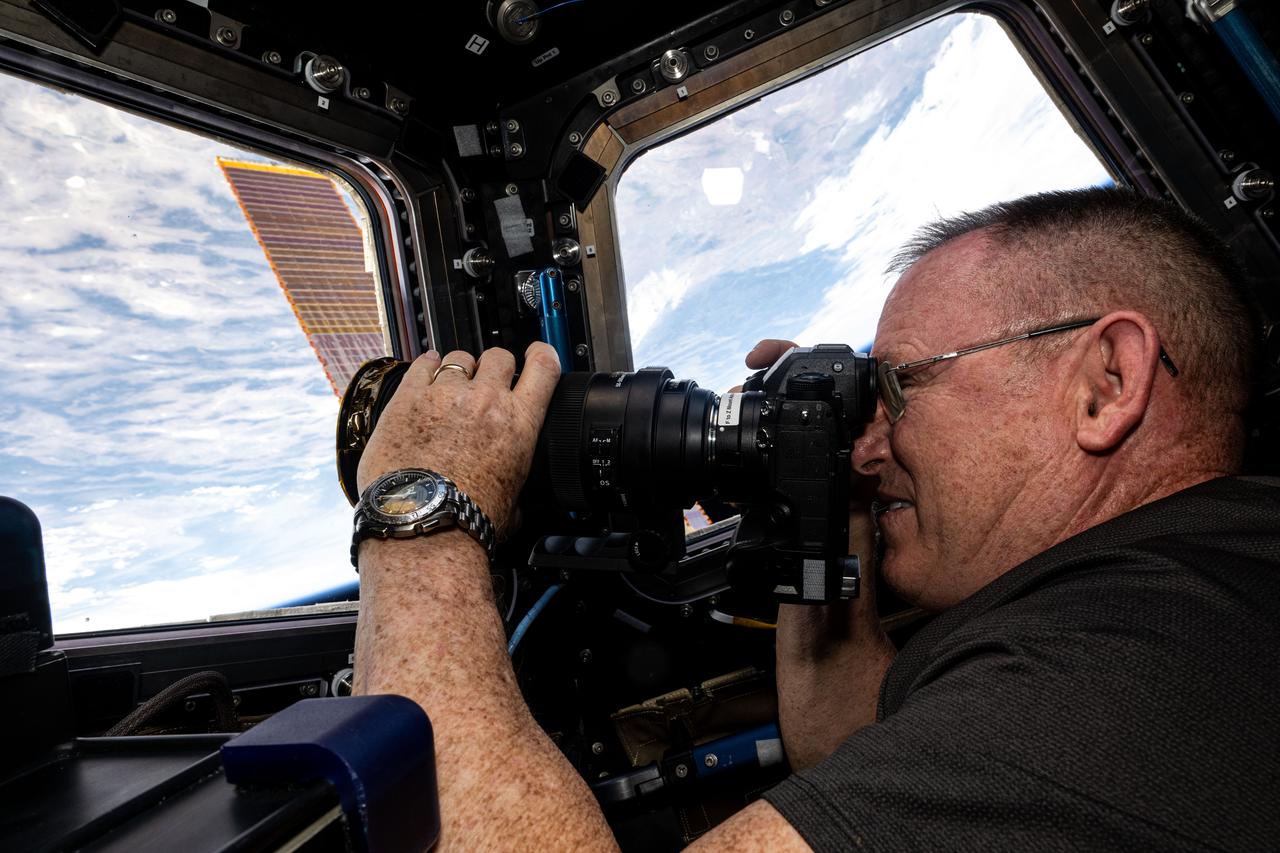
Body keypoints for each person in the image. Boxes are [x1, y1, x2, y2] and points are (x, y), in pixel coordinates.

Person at [352, 187, 1280, 851]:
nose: (868, 442)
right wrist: (816, 479)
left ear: (1106, 383)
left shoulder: (1106, 690)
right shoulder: (1192, 587)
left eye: (897, 386)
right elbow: (853, 745)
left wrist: (423, 508)